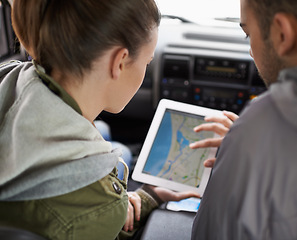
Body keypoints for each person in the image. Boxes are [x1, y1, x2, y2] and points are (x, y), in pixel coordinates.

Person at [0, 0, 199, 239]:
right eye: (147, 61)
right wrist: (126, 200)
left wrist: (137, 197)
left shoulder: (10, 75)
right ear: (120, 61)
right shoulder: (99, 204)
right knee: (121, 153)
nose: (146, 67)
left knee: (115, 145)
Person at [192, 0, 297, 239]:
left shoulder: (256, 128)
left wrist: (244, 144)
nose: (251, 50)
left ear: (283, 33)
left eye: (248, 34)